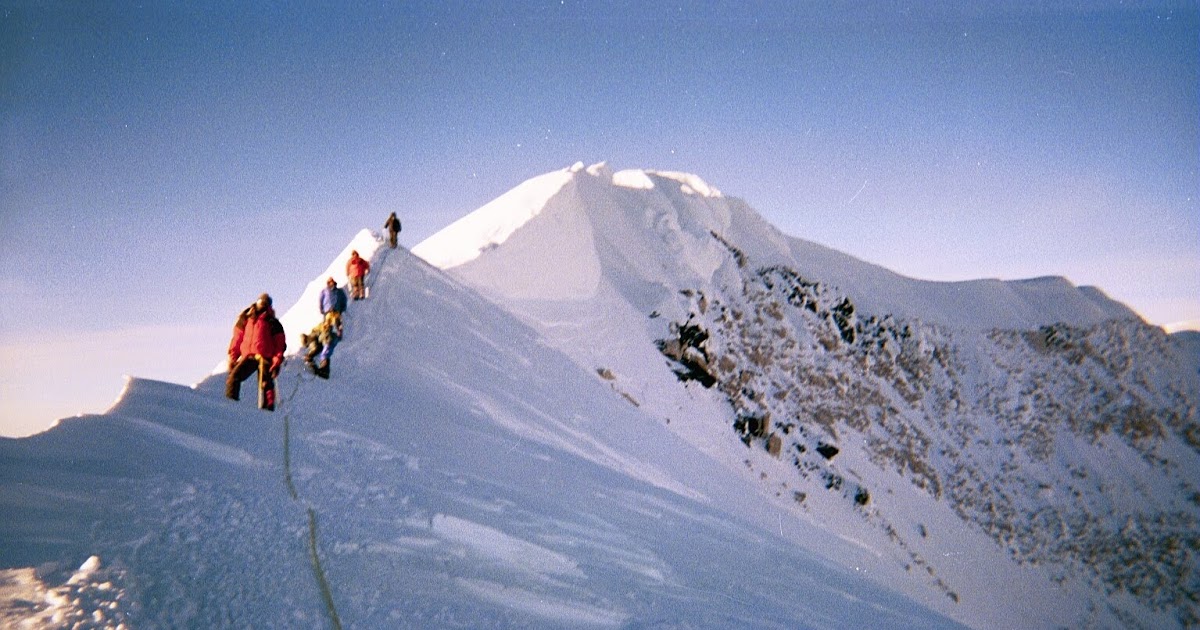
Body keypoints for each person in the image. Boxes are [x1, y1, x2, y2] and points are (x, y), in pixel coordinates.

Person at [225, 293, 287, 411]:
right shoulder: (246, 318)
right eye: (261, 302)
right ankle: (230, 407)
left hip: (265, 358)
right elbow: (237, 338)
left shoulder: (272, 322)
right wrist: (233, 357)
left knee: (266, 385)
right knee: (233, 378)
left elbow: (279, 344)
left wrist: (276, 361)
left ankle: (267, 411)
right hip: (250, 357)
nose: (262, 305)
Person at [301, 311, 343, 379]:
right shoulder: (316, 331)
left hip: (326, 337)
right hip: (326, 337)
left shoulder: (312, 336)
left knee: (324, 352)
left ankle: (324, 370)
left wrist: (309, 356)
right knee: (324, 352)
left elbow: (316, 345)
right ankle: (324, 370)